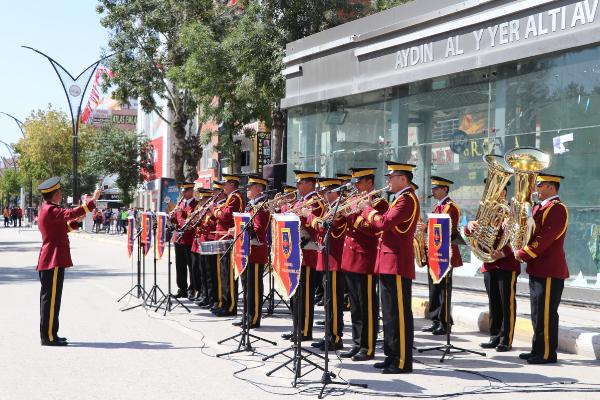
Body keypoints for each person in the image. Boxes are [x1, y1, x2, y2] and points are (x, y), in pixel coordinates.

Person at [360, 161, 419, 374]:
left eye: (391, 177)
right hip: (387, 262)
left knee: (399, 314)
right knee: (389, 313)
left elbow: (385, 223)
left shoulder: (407, 200)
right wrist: (374, 204)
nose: (387, 181)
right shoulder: (398, 200)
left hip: (397, 263)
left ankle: (402, 361)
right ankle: (391, 355)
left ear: (403, 178)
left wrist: (367, 210)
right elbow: (388, 217)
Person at [36, 177, 101, 346]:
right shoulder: (51, 209)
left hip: (51, 258)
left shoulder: (47, 209)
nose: (61, 194)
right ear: (55, 194)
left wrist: (75, 223)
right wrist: (92, 201)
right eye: (60, 192)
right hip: (53, 259)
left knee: (52, 299)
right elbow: (69, 213)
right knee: (51, 301)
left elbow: (62, 228)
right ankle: (48, 336)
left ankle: (52, 333)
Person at [515, 173, 568, 364]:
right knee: (537, 312)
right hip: (537, 268)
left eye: (540, 185)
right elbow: (529, 231)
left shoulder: (557, 209)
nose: (537, 188)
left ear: (552, 188)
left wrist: (523, 253)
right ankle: (537, 349)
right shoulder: (539, 207)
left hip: (549, 270)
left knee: (546, 313)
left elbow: (544, 238)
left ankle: (547, 353)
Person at [340, 168, 388, 362]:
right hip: (350, 258)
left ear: (369, 183)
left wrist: (356, 215)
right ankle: (357, 342)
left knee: (367, 305)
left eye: (359, 183)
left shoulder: (380, 204)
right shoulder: (354, 201)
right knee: (355, 306)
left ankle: (368, 347)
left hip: (365, 259)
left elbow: (373, 230)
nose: (356, 187)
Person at [465, 181, 519, 352]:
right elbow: (473, 233)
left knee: (506, 303)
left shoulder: (513, 211)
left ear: (503, 193)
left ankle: (506, 339)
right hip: (489, 263)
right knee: (494, 302)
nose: (491, 194)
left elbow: (520, 238)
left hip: (506, 263)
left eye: (495, 190)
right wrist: (469, 227)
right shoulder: (486, 210)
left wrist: (504, 253)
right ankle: (494, 336)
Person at [281, 170, 325, 341]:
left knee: (305, 296)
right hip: (295, 253)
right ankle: (296, 327)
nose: (297, 186)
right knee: (295, 294)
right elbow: (286, 214)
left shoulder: (317, 202)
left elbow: (317, 226)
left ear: (309, 183)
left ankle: (305, 330)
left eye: (300, 183)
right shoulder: (301, 201)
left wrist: (304, 215)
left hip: (307, 254)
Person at [306, 178, 347, 351]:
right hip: (327, 257)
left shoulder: (340, 207)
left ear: (333, 192)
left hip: (335, 259)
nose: (321, 196)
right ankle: (329, 335)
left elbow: (328, 226)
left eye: (324, 192)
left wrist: (310, 217)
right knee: (328, 301)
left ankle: (335, 337)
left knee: (334, 301)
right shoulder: (331, 207)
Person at [422, 176, 462, 336]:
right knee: (434, 288)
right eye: (433, 188)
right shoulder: (438, 206)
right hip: (435, 252)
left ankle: (445, 322)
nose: (433, 191)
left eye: (436, 188)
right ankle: (436, 320)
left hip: (446, 253)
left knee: (444, 289)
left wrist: (427, 227)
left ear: (445, 189)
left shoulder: (450, 207)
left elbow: (448, 229)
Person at [207, 174, 245, 317]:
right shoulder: (231, 198)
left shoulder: (236, 197)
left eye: (225, 184)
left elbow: (225, 216)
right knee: (222, 273)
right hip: (223, 238)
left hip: (229, 238)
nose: (223, 187)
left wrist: (214, 209)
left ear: (231, 184)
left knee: (228, 274)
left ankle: (231, 306)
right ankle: (224, 303)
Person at [236, 174, 270, 328]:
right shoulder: (252, 204)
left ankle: (254, 318)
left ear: (258, 188)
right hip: (246, 249)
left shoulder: (262, 205)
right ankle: (246, 316)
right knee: (246, 286)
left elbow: (259, 228)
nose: (247, 189)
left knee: (254, 286)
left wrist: (244, 227)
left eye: (250, 187)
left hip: (256, 250)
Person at [170, 182, 198, 299]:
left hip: (189, 238)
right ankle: (182, 288)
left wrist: (183, 213)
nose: (183, 193)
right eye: (182, 191)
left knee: (191, 266)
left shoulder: (196, 204)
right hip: (179, 238)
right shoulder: (180, 203)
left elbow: (194, 219)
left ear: (191, 191)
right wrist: (172, 217)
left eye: (185, 191)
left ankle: (192, 289)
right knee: (180, 265)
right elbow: (177, 220)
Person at [190, 188, 213, 302]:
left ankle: (206, 294)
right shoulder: (200, 208)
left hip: (205, 242)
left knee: (206, 271)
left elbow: (211, 224)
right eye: (201, 198)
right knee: (197, 269)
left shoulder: (210, 210)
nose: (202, 200)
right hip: (197, 242)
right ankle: (200, 292)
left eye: (204, 198)